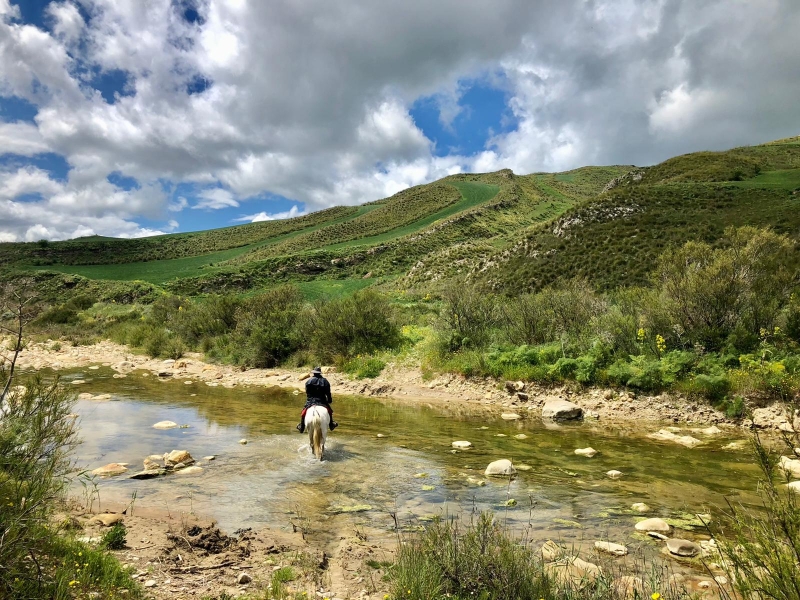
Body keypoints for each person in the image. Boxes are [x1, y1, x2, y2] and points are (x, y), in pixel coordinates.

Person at [297, 366, 338, 433]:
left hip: (310, 401)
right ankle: (331, 424)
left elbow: (308, 393)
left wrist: (310, 399)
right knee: (330, 412)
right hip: (322, 401)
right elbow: (328, 393)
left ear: (314, 373)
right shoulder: (325, 381)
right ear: (320, 373)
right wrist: (329, 400)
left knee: (303, 413)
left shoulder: (309, 381)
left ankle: (301, 426)